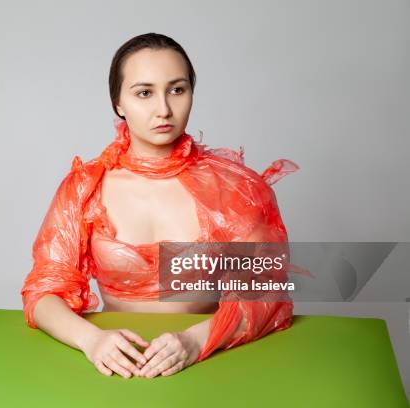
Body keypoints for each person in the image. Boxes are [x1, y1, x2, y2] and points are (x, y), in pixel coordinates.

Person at [21, 33, 299, 379]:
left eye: (177, 90)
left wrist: (196, 341)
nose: (163, 109)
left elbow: (267, 289)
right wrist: (92, 341)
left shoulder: (234, 188)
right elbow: (43, 291)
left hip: (213, 358)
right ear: (118, 103)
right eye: (144, 93)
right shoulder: (85, 188)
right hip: (116, 362)